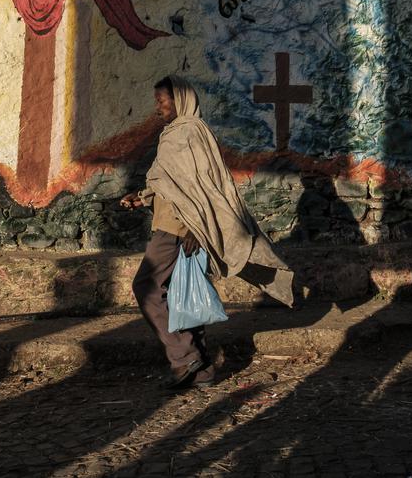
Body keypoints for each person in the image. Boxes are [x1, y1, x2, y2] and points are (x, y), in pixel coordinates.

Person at [121, 76, 295, 390]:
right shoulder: (176, 132)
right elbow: (174, 184)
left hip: (178, 227)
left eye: (162, 100)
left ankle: (184, 356)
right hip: (173, 222)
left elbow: (205, 188)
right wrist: (143, 197)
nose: (158, 107)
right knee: (182, 294)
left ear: (180, 99)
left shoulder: (189, 132)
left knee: (146, 287)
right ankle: (201, 372)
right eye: (157, 101)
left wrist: (196, 229)